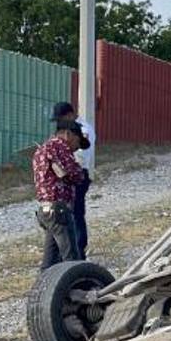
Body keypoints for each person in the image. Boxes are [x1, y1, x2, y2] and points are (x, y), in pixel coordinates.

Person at [33, 120, 89, 270]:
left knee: (49, 262)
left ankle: (42, 290)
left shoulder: (42, 149)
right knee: (71, 259)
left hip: (45, 210)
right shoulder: (60, 147)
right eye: (78, 141)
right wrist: (80, 170)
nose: (76, 149)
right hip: (59, 209)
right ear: (68, 134)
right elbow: (75, 174)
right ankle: (78, 291)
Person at [51, 101, 97, 257]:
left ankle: (78, 249)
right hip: (71, 173)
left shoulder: (83, 130)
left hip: (78, 174)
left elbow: (80, 156)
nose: (59, 122)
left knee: (76, 213)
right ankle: (68, 250)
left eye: (61, 118)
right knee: (68, 213)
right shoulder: (70, 129)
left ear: (70, 115)